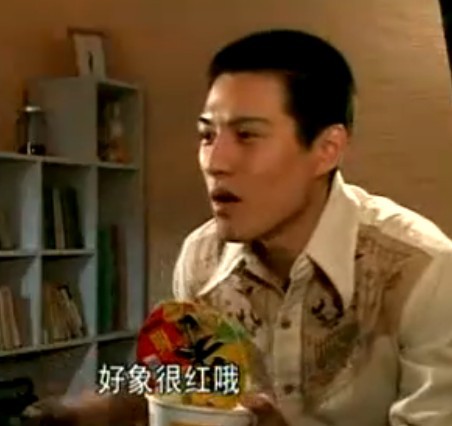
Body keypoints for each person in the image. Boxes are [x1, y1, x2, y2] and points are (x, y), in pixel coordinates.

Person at [23, 28, 452, 426]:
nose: (215, 162)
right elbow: (190, 387)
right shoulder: (201, 259)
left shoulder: (425, 272)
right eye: (207, 136)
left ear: (327, 149)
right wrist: (105, 408)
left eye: (247, 135)